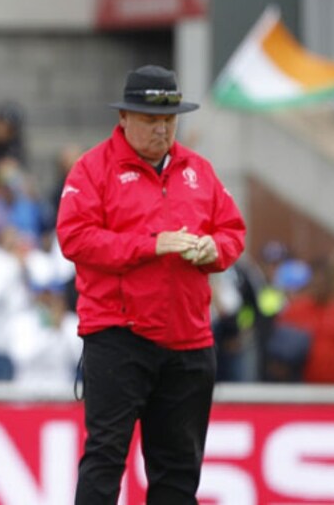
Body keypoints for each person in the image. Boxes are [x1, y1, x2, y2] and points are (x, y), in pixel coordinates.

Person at [56, 65, 246, 504]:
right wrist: (151, 245)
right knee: (105, 458)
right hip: (118, 335)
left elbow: (233, 232)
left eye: (169, 119)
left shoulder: (198, 169)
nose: (162, 129)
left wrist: (213, 250)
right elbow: (75, 238)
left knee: (179, 467)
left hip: (189, 338)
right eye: (150, 119)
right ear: (124, 118)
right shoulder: (92, 170)